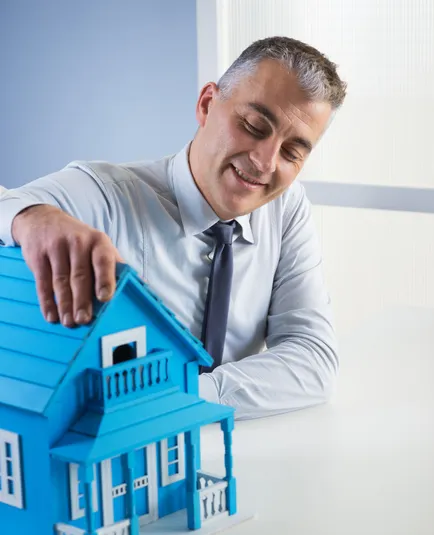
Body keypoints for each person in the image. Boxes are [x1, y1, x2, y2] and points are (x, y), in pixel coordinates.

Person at [0, 36, 347, 420]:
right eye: (253, 125)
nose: (265, 163)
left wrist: (182, 398)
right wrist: (31, 216)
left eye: (291, 152)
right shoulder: (109, 196)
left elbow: (312, 359)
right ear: (206, 104)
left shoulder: (286, 207)